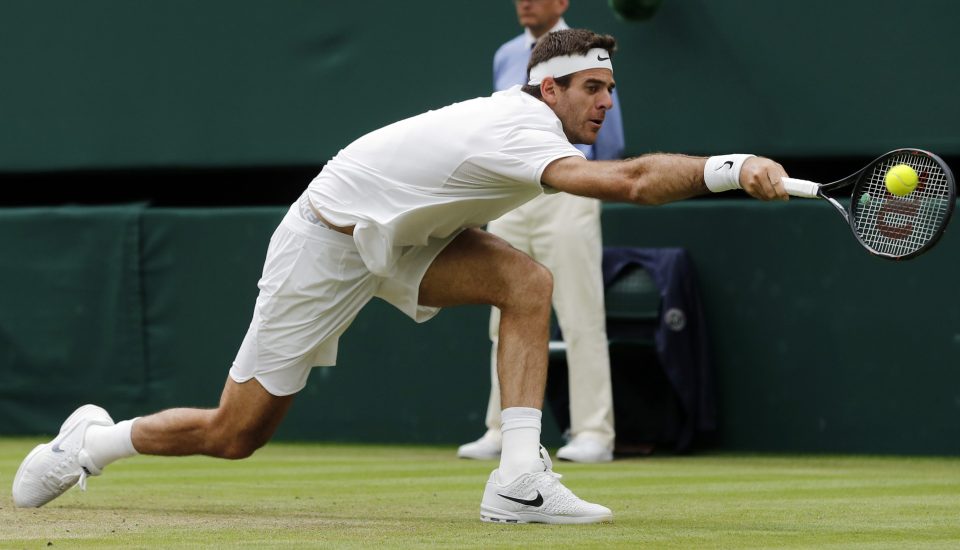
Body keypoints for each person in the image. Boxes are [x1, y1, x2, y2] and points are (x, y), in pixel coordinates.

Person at [12, 29, 789, 525]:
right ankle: (94, 442)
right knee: (234, 433)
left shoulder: (524, 127)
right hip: (325, 241)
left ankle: (517, 479)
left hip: (409, 236)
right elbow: (628, 183)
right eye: (592, 87)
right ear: (547, 87)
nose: (604, 101)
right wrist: (732, 167)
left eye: (611, 89)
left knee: (527, 283)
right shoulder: (518, 128)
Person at [457, 0, 624, 464]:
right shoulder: (506, 53)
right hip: (513, 193)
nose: (525, 2)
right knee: (502, 312)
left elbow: (608, 138)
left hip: (570, 191)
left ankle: (595, 432)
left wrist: (580, 176)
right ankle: (500, 429)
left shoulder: (590, 53)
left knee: (580, 313)